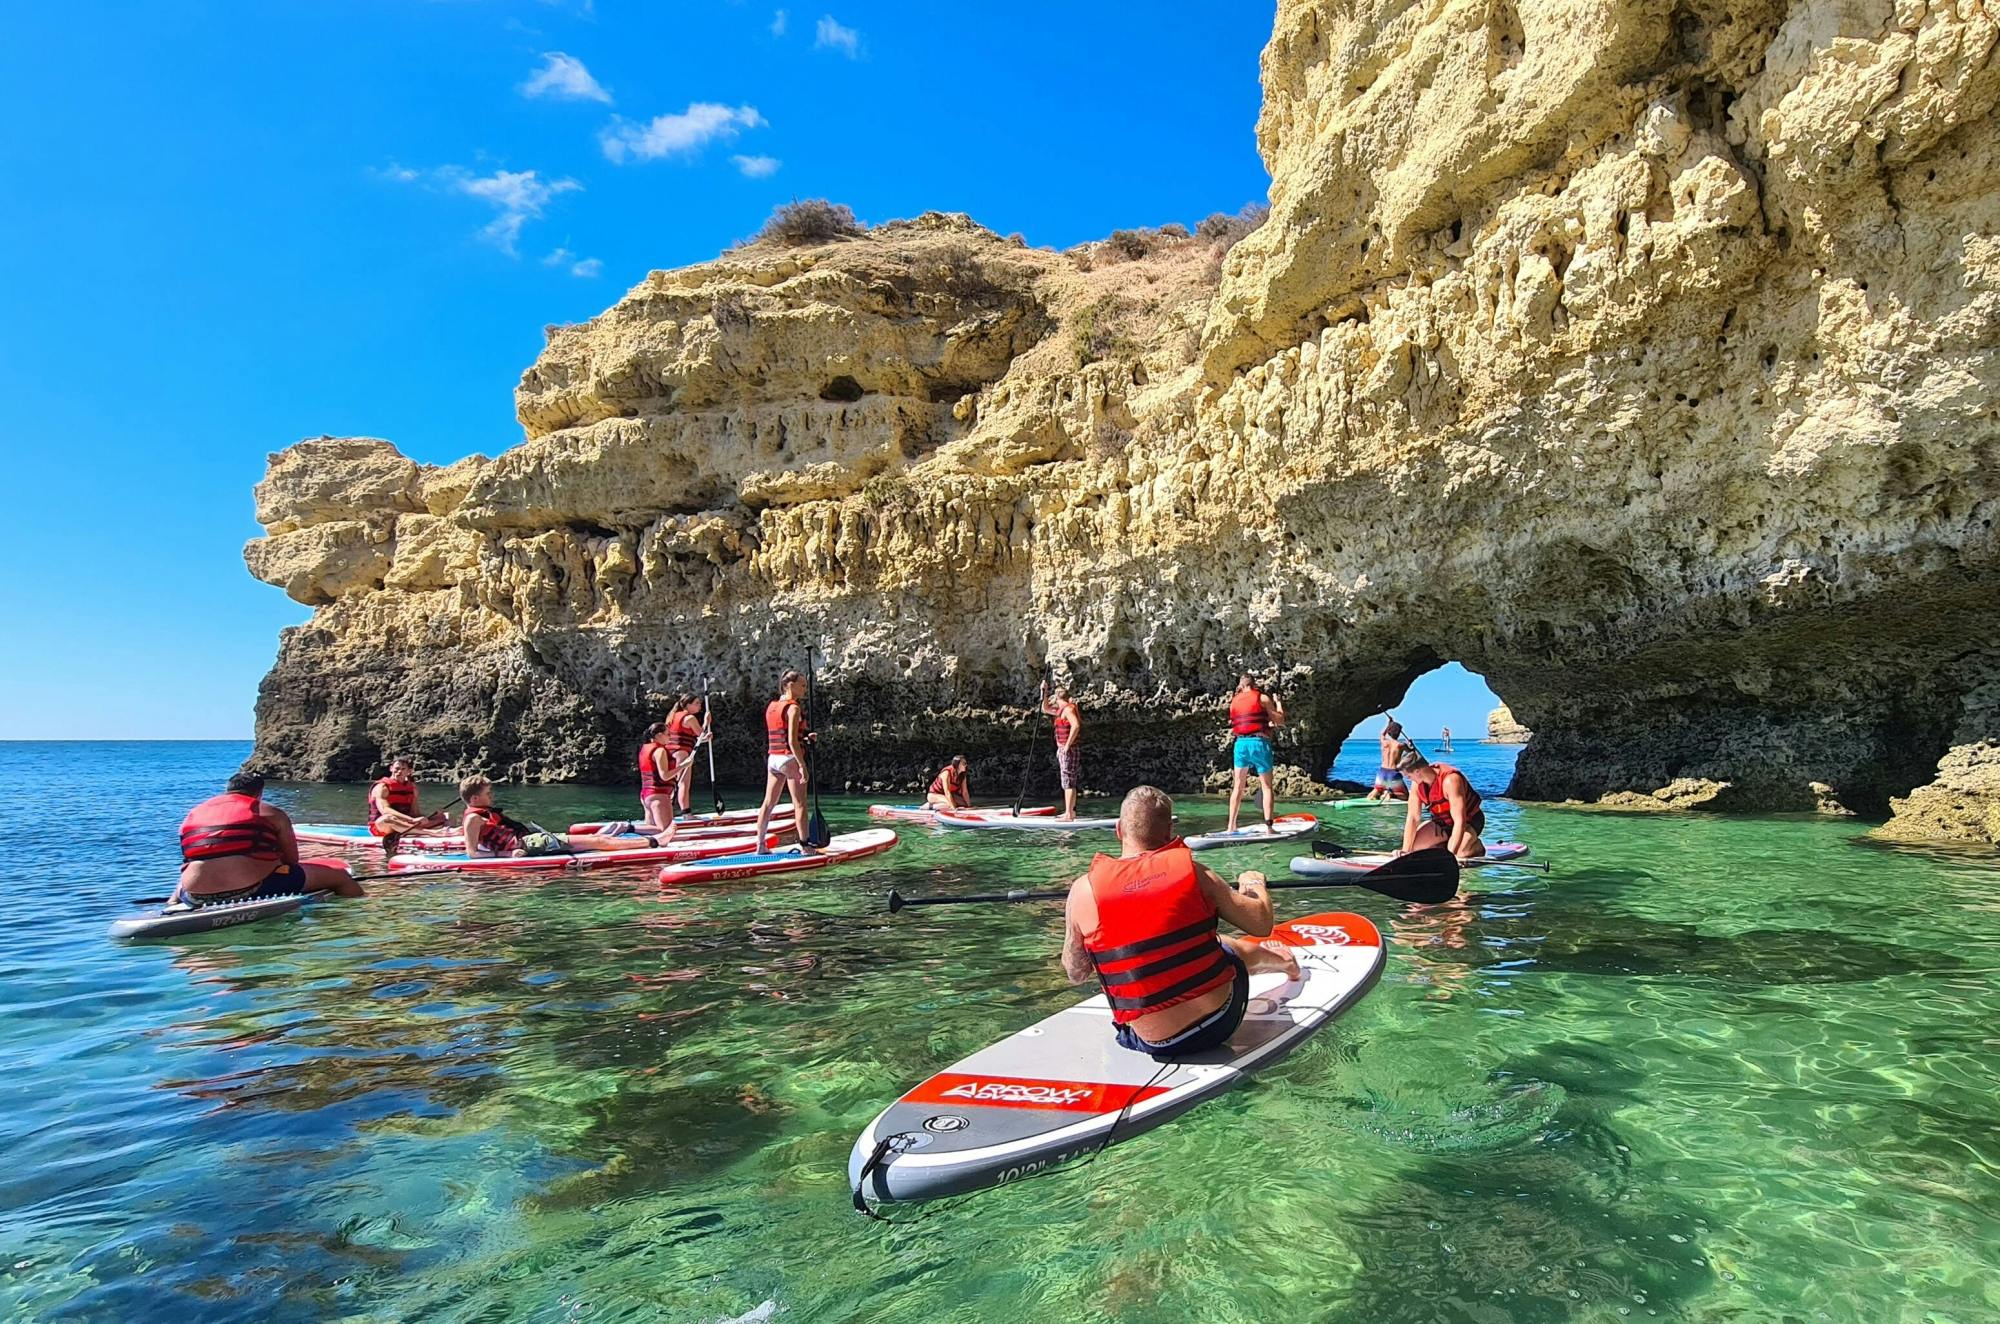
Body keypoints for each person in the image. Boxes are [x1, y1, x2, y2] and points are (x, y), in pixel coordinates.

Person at [1060, 787, 1301, 1060]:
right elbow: (1260, 923)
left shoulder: (1082, 891)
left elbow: (1076, 973)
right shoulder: (1197, 875)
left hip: (1155, 1043)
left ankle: (1280, 962)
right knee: (1224, 946)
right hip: (1220, 1022)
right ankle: (1284, 963)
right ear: (1169, 835)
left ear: (1119, 830)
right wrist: (1254, 884)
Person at [176, 772, 361, 905]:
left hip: (193, 894)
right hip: (254, 889)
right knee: (340, 878)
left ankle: (171, 904)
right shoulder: (270, 812)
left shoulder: (194, 813)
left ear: (228, 790)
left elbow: (190, 859)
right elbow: (292, 860)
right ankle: (355, 917)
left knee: (194, 872)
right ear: (259, 793)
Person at [459, 777, 668, 857]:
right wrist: (508, 855)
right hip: (529, 844)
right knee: (598, 841)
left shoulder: (481, 814)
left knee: (597, 842)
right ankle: (655, 842)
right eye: (488, 794)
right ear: (475, 798)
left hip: (532, 841)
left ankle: (651, 841)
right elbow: (472, 853)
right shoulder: (472, 819)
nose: (492, 796)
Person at [754, 670, 821, 855]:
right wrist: (802, 766)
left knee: (768, 802)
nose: (804, 689)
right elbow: (791, 741)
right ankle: (805, 845)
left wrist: (806, 736)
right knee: (800, 804)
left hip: (773, 758)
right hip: (789, 758)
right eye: (802, 685)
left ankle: (760, 845)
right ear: (790, 685)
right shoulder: (794, 708)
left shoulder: (772, 706)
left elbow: (783, 732)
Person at [1396, 750, 1487, 860]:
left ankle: (1476, 846)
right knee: (1416, 848)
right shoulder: (1417, 784)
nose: (1408, 779)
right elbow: (1413, 818)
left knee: (1460, 853)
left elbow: (1460, 821)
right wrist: (1406, 851)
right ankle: (1445, 845)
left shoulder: (1450, 780)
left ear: (1417, 771)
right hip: (1442, 823)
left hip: (1468, 822)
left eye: (1408, 776)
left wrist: (1450, 857)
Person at [1224, 674, 1286, 832]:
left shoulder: (1234, 701)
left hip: (1240, 744)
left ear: (1241, 685)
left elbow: (1242, 721)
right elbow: (1280, 720)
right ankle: (1269, 828)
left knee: (1237, 786)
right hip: (1259, 743)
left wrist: (1266, 723)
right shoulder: (1262, 698)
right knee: (1266, 787)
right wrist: (1278, 703)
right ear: (1254, 684)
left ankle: (1231, 826)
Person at [366, 757, 449, 856]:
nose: (399, 771)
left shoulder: (412, 788)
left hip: (406, 824)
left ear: (409, 771)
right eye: (396, 768)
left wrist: (426, 817)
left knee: (445, 816)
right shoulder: (382, 787)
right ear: (391, 768)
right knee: (386, 818)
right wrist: (411, 820)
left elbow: (415, 813)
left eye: (403, 769)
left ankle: (448, 832)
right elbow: (385, 810)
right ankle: (432, 833)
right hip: (383, 827)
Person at [1041, 681, 1083, 820]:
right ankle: (1069, 812)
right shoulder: (1060, 710)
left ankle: (1069, 814)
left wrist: (1067, 746)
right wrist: (1044, 692)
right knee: (1066, 781)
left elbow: (1076, 726)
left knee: (1068, 781)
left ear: (1058, 698)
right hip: (1063, 750)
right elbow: (1045, 708)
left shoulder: (1068, 710)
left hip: (1068, 750)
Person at [665, 692, 710, 816]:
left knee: (673, 783)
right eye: (696, 703)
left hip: (669, 752)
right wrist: (706, 722)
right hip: (681, 753)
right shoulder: (689, 718)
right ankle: (686, 814)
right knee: (684, 783)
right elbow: (701, 736)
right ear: (687, 705)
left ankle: (667, 811)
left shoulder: (673, 715)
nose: (699, 706)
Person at [635, 720, 680, 833]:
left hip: (646, 796)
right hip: (659, 796)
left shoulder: (644, 749)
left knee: (653, 832)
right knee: (666, 832)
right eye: (668, 734)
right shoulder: (660, 750)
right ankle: (627, 828)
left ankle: (629, 828)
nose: (670, 737)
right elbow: (664, 776)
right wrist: (683, 766)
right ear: (659, 735)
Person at [1365, 717, 1415, 801]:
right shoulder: (1401, 745)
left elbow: (1381, 734)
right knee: (1406, 796)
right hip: (1393, 773)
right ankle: (1390, 794)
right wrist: (1411, 744)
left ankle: (1378, 792)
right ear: (1399, 733)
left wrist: (1388, 724)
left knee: (1375, 792)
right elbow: (1411, 751)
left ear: (1388, 732)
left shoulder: (1384, 742)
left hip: (1382, 772)